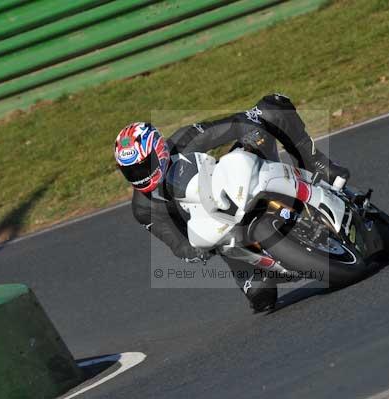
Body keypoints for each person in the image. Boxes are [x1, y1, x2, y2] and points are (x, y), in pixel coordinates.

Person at [114, 94, 350, 312]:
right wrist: (194, 252)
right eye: (130, 171)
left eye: (142, 166)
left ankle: (316, 164)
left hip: (234, 184)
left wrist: (252, 131)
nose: (139, 175)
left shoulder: (184, 140)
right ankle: (267, 261)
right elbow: (176, 242)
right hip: (224, 236)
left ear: (159, 150)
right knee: (262, 298)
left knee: (272, 106)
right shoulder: (143, 208)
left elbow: (233, 124)